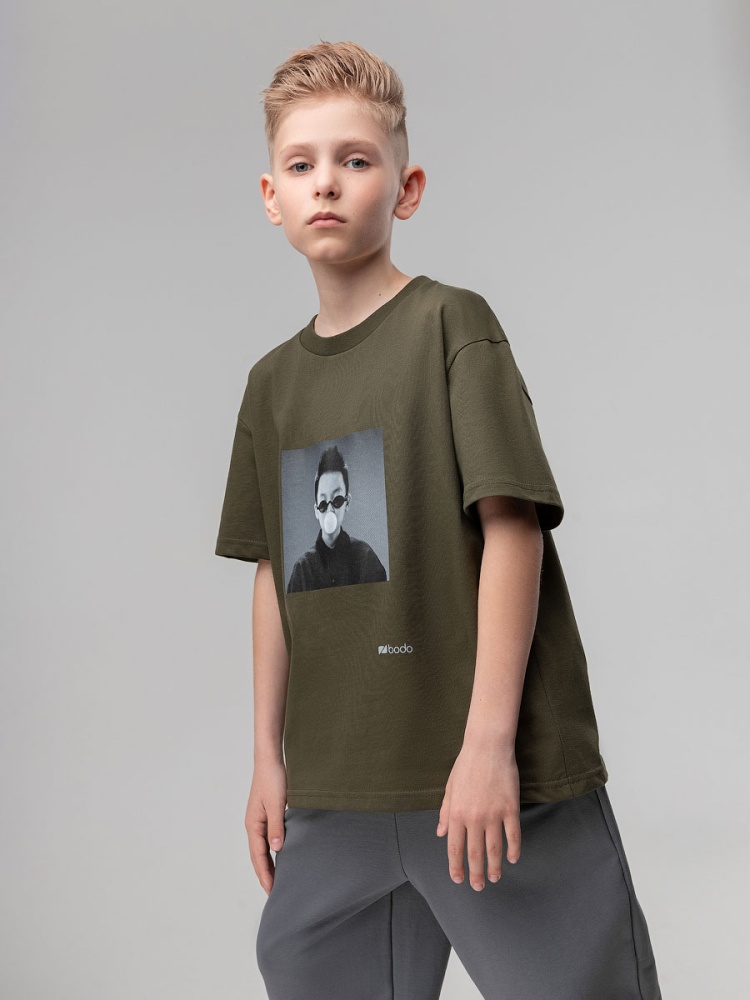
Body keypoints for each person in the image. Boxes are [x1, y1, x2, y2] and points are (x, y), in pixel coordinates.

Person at [215, 39, 662, 1000]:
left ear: (406, 189)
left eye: (355, 159)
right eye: (301, 164)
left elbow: (513, 529)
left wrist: (489, 745)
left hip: (489, 777)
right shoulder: (270, 386)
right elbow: (273, 574)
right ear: (271, 196)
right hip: (338, 787)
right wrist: (267, 759)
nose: (326, 182)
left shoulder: (452, 326)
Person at [286, 443, 387, 593]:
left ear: (347, 502)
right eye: (323, 503)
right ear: (316, 510)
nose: (330, 510)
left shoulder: (367, 560)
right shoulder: (302, 570)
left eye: (337, 500)